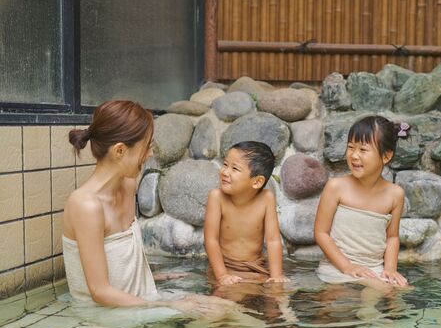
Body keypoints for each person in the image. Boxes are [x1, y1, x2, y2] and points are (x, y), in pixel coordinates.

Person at [63, 100, 229, 314]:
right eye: (147, 146)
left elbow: (118, 259)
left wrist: (155, 277)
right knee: (214, 317)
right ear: (120, 150)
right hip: (104, 318)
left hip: (139, 302)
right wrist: (170, 305)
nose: (150, 153)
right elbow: (100, 292)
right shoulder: (86, 205)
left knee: (230, 307)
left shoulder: (127, 184)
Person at [314, 115, 410, 291]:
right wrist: (347, 267)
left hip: (374, 269)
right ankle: (369, 314)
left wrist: (390, 269)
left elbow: (392, 237)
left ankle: (371, 313)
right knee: (378, 290)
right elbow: (321, 233)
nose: (354, 155)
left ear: (386, 156)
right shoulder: (336, 187)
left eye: (363, 150)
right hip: (337, 267)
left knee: (403, 290)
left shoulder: (395, 194)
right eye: (350, 147)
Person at [204, 141, 288, 285]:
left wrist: (276, 275)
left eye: (234, 168)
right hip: (226, 267)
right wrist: (222, 276)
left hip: (256, 267)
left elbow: (273, 240)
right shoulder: (217, 198)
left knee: (277, 294)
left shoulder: (266, 199)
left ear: (257, 182)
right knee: (227, 296)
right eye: (225, 164)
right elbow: (210, 240)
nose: (225, 172)